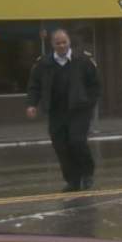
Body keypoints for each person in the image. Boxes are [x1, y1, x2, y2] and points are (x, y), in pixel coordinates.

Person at [26, 29, 101, 192]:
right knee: (61, 145)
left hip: (79, 110)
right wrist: (32, 104)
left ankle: (87, 173)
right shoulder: (44, 64)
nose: (61, 45)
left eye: (64, 42)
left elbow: (95, 84)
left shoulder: (82, 60)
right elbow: (34, 86)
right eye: (57, 43)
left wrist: (89, 102)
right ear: (52, 44)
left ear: (69, 42)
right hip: (56, 111)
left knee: (77, 141)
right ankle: (72, 180)